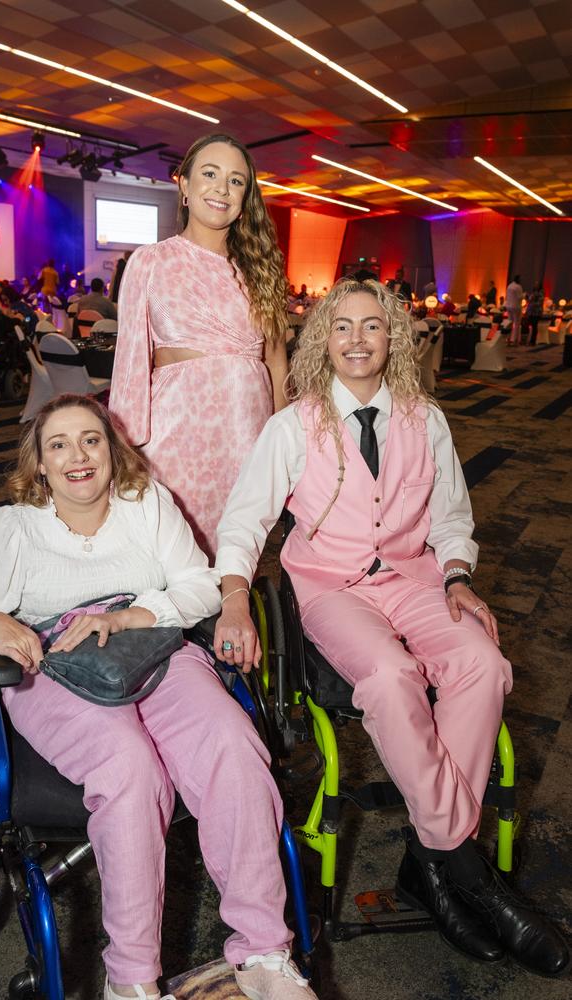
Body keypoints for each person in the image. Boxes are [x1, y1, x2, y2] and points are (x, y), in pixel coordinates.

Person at [212, 279, 569, 978]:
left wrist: (459, 574)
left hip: (415, 579)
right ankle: (466, 870)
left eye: (371, 327)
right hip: (332, 590)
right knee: (390, 675)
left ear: (393, 339)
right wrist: (231, 596)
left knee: (484, 664)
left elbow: (452, 519)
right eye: (340, 327)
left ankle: (430, 857)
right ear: (323, 340)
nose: (355, 339)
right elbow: (245, 520)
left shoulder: (424, 418)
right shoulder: (294, 425)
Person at [0, 394, 318, 1000]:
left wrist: (135, 615)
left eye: (90, 440)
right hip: (54, 665)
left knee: (234, 745)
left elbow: (198, 587)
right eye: (58, 444)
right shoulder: (9, 529)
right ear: (40, 464)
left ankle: (264, 952)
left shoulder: (146, 504)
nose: (77, 456)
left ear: (112, 449)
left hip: (150, 646)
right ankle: (131, 980)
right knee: (131, 770)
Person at [109, 133, 289, 557]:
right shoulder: (150, 261)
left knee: (238, 557)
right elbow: (130, 363)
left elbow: (277, 365)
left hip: (248, 434)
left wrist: (285, 445)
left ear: (246, 197)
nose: (222, 188)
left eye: (236, 180)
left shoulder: (260, 272)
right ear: (184, 185)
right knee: (171, 556)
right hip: (175, 440)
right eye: (209, 174)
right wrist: (124, 448)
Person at [505, 275, 523, 346]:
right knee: (517, 324)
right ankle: (515, 341)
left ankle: (508, 339)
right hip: (516, 307)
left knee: (510, 323)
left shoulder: (509, 286)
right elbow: (519, 297)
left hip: (508, 306)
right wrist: (524, 295)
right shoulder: (518, 287)